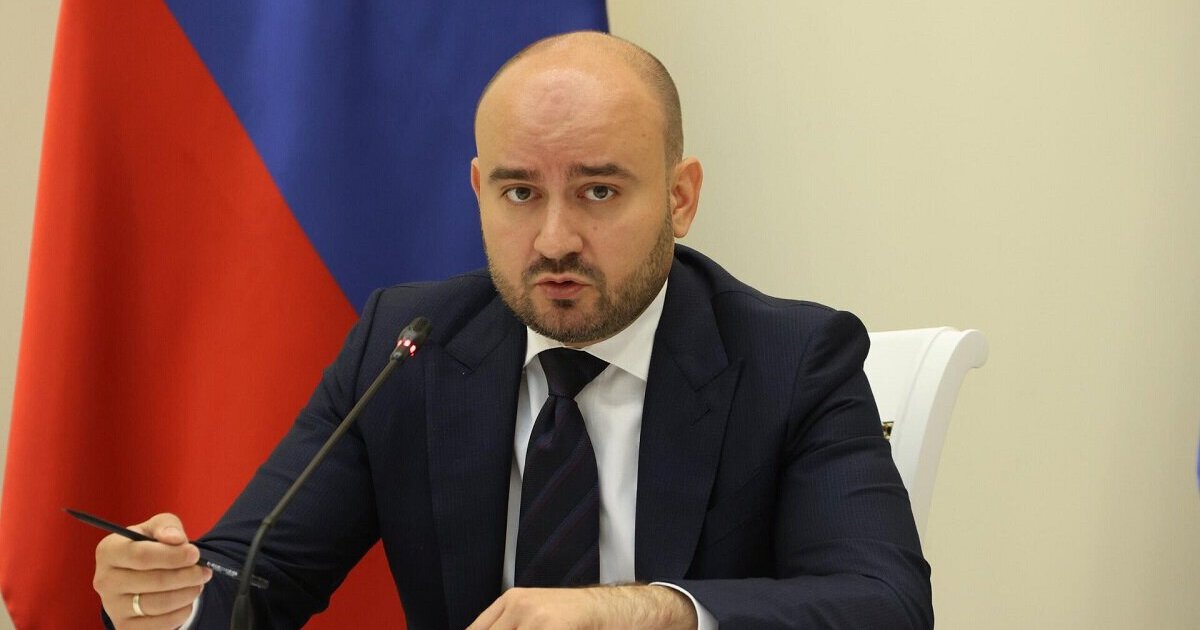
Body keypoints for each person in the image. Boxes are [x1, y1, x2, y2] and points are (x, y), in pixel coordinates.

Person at [92, 31, 933, 629]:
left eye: (599, 191)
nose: (555, 239)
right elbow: (256, 580)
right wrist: (164, 600)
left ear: (680, 198)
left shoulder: (793, 361)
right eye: (520, 193)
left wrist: (640, 612)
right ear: (478, 190)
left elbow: (885, 604)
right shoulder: (407, 347)